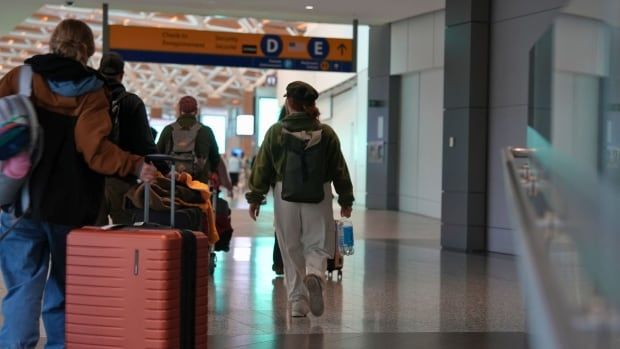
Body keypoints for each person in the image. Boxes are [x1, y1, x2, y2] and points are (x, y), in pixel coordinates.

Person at [0, 19, 157, 348]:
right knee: (66, 291)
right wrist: (135, 165)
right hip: (71, 209)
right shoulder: (92, 89)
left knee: (23, 289)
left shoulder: (21, 78)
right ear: (89, 50)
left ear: (54, 40)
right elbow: (94, 151)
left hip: (21, 203)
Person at [246, 81, 354, 318]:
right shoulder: (326, 133)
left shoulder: (276, 131)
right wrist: (346, 198)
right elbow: (339, 168)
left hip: (285, 194)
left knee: (290, 245)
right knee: (317, 241)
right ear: (312, 104)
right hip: (319, 192)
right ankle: (314, 272)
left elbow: (262, 167)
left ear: (289, 102)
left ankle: (298, 302)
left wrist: (255, 197)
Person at [96, 51, 168, 225]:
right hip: (123, 180)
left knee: (94, 239)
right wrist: (165, 170)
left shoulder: (91, 100)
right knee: (126, 235)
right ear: (121, 75)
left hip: (93, 180)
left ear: (99, 71)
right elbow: (146, 144)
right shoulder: (132, 103)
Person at [157, 96, 220, 184]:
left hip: (171, 184)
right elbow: (215, 157)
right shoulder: (206, 131)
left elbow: (158, 154)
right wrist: (213, 172)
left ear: (179, 111)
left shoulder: (168, 130)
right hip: (198, 185)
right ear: (196, 111)